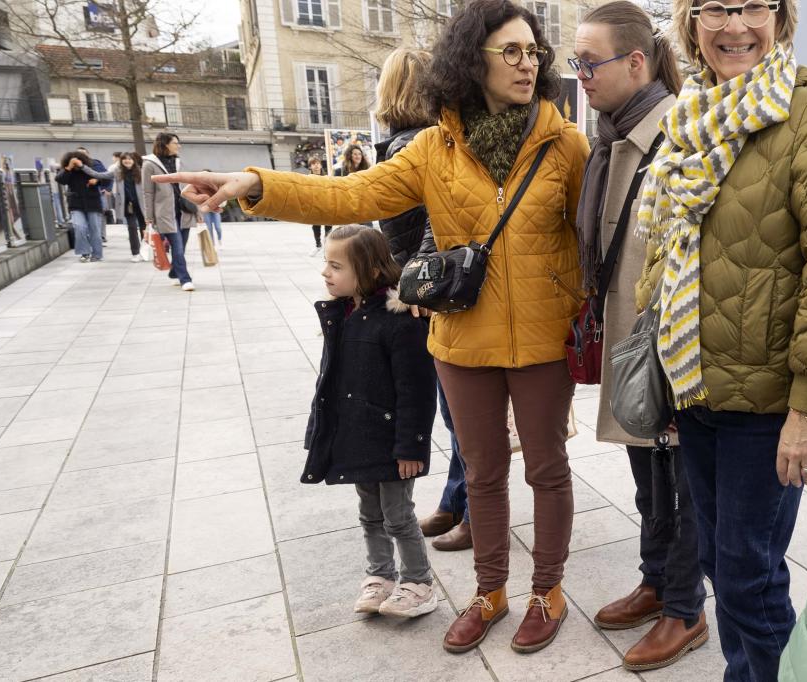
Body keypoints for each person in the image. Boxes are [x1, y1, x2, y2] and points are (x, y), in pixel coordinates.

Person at [154, 0, 591, 655]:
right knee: (483, 473)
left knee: (548, 471)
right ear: (474, 60)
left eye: (533, 52)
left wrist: (591, 315)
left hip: (540, 341)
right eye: (511, 51)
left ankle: (546, 591)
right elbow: (351, 195)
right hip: (461, 341)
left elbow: (589, 240)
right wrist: (255, 183)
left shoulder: (566, 144)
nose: (527, 63)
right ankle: (490, 591)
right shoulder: (435, 149)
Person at [628, 1, 807, 678]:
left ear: (782, 17)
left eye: (753, 5)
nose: (735, 25)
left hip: (767, 402)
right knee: (719, 566)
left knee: (749, 577)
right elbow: (668, 248)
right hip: (698, 386)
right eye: (714, 8)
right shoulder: (691, 114)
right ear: (690, 22)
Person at [570, 1, 708, 672]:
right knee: (646, 474)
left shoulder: (676, 132)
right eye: (575, 63)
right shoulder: (609, 135)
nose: (580, 76)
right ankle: (656, 581)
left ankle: (686, 607)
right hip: (629, 337)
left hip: (671, 343)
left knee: (679, 481)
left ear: (634, 62)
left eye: (588, 63)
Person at [365, 46, 472, 551]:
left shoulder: (412, 146)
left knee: (460, 413)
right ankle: (457, 501)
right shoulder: (423, 141)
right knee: (456, 411)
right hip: (430, 291)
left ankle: (474, 509)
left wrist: (416, 282)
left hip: (429, 295)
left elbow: (436, 222)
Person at [304, 225, 441, 619]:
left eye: (335, 266)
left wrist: (412, 446)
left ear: (366, 270)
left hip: (392, 441)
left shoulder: (398, 320)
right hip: (358, 436)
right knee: (370, 514)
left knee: (399, 515)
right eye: (325, 264)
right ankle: (380, 575)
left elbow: (416, 388)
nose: (326, 274)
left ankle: (418, 582)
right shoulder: (344, 314)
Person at [142, 133, 197, 291]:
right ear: (165, 144)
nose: (178, 146)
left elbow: (189, 185)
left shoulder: (179, 162)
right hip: (165, 213)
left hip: (184, 210)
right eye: (175, 143)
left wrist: (197, 211)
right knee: (178, 247)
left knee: (182, 247)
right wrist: (149, 217)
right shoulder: (149, 165)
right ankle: (185, 279)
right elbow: (147, 192)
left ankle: (174, 273)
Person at [57, 150, 112, 264]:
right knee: (79, 227)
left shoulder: (92, 166)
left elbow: (106, 178)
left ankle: (97, 254)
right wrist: (69, 167)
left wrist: (96, 181)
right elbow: (60, 180)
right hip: (76, 203)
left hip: (93, 202)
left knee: (94, 229)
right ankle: (84, 253)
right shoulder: (68, 171)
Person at [113, 153, 149, 262]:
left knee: (144, 228)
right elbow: (103, 175)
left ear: (133, 160)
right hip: (128, 205)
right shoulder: (118, 172)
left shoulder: (141, 171)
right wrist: (84, 168)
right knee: (132, 227)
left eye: (129, 159)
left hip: (141, 204)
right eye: (124, 159)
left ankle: (145, 252)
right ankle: (135, 253)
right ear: (121, 161)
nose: (127, 161)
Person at [305, 157, 330, 255]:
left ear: (321, 165)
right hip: (314, 205)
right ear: (310, 166)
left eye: (318, 163)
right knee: (316, 226)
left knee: (328, 227)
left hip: (327, 204)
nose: (316, 165)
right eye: (313, 164)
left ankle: (327, 248)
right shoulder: (307, 178)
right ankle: (318, 245)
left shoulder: (326, 177)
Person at [200, 169, 224, 245]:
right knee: (209, 228)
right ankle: (212, 244)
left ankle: (219, 239)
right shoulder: (200, 185)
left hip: (215, 209)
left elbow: (223, 194)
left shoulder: (216, 184)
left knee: (218, 227)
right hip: (206, 210)